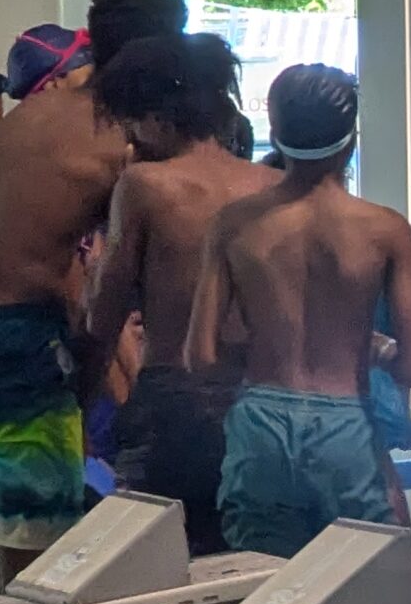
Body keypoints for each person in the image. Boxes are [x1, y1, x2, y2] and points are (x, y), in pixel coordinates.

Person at [186, 63, 411, 559]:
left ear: (273, 132)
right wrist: (373, 350)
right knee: (362, 584)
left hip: (261, 423)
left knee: (260, 591)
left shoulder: (233, 224)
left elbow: (201, 356)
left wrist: (264, 349)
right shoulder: (385, 230)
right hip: (347, 429)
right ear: (350, 139)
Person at [85, 33, 275, 553]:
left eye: (130, 120)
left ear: (157, 118)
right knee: (253, 560)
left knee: (161, 568)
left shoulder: (146, 185)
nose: (128, 135)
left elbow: (105, 313)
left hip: (176, 399)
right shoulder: (268, 185)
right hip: (259, 399)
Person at [0, 19, 144, 580]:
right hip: (22, 345)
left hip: (2, 345)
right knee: (40, 552)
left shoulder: (5, 141)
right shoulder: (91, 140)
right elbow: (91, 286)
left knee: (5, 537)